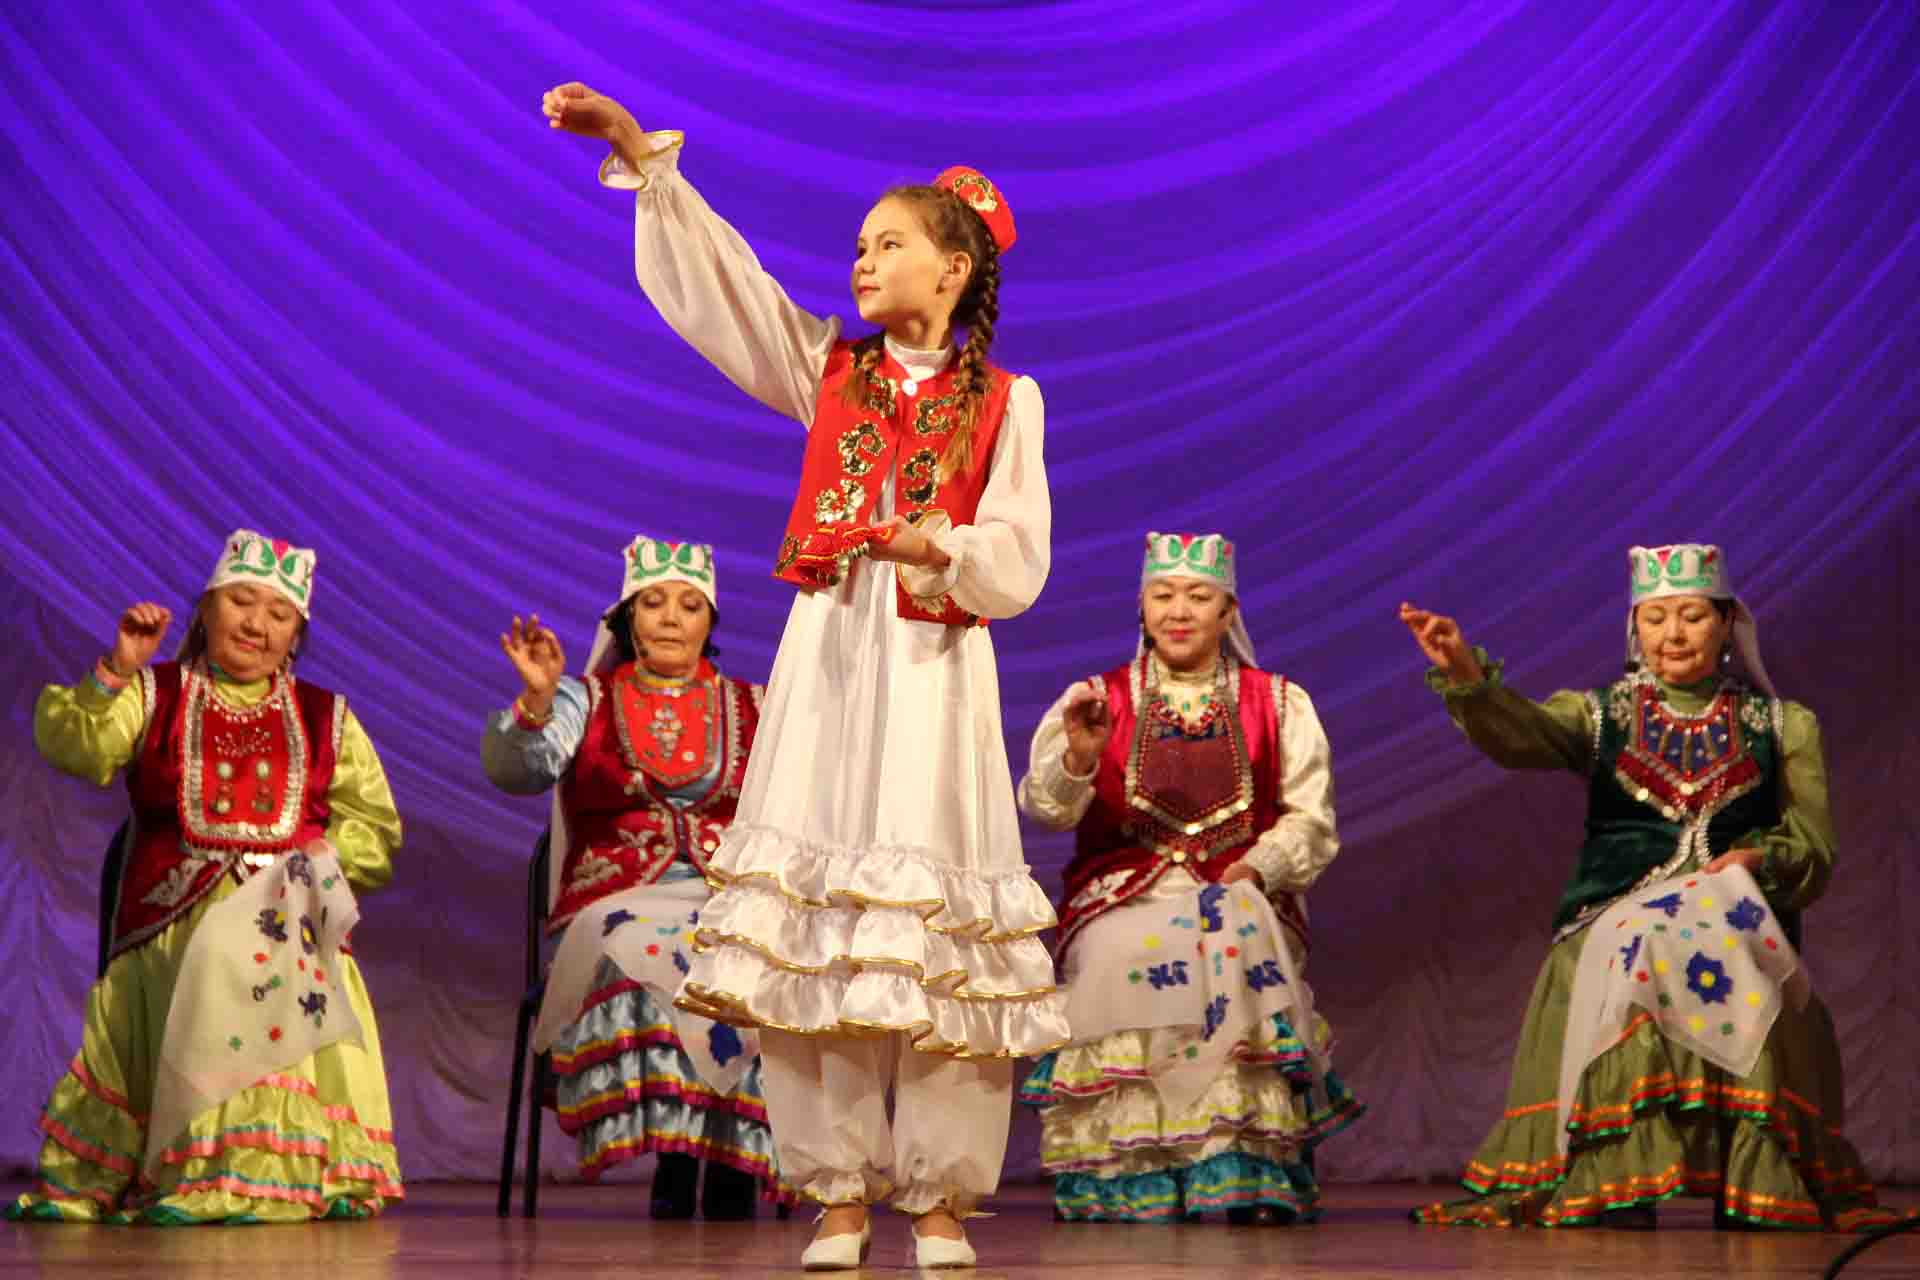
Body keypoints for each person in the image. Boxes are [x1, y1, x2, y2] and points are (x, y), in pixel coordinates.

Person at [539, 82, 1070, 1270]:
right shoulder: (831, 367)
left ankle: (939, 1196)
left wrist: (943, 545)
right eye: (860, 244)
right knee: (814, 921)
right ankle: (834, 1189)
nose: (863, 260)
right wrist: (644, 162)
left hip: (934, 672)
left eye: (889, 243)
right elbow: (728, 290)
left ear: (954, 269)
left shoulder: (1006, 401)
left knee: (934, 925)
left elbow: (1021, 554)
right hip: (831, 660)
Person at [1401, 543, 1906, 1231]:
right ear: (1635, 627)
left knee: (1711, 944)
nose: (1673, 634)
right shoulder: (1602, 714)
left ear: (1726, 624)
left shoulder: (1782, 725)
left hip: (1734, 912)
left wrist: (1756, 858)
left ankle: (1751, 1178)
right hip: (1615, 912)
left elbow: (1814, 842)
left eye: (1692, 616)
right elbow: (1524, 734)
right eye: (1656, 617)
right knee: (1639, 941)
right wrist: (1463, 667)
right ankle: (1618, 1177)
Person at [9, 530, 404, 1224]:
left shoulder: (326, 718)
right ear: (206, 609)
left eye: (278, 614)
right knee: (218, 950)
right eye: (241, 602)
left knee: (256, 951)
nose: (256, 624)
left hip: (287, 914)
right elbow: (76, 747)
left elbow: (374, 830)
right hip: (172, 918)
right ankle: (197, 1162)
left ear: (296, 635)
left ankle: (269, 1164)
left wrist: (314, 866)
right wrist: (116, 671)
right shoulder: (155, 693)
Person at [1017, 532, 1363, 1225]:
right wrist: (1079, 759)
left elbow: (1312, 820)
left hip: (1235, 889)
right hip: (1123, 894)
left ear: (1228, 611)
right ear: (1142, 607)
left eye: (1198, 597)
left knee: (1229, 943)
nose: (1179, 612)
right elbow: (1045, 809)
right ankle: (1128, 1173)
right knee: (1123, 953)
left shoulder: (1279, 702)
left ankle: (1243, 1169)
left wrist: (1259, 867)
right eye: (1163, 596)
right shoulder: (1096, 699)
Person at [482, 535, 788, 1219]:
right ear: (628, 618)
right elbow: (518, 771)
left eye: (689, 605)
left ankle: (733, 1157)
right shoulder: (583, 700)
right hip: (617, 894)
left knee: (752, 947)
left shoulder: (756, 704)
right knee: (649, 943)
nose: (671, 618)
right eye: (653, 603)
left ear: (710, 622)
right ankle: (677, 1156)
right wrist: (536, 703)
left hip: (727, 893)